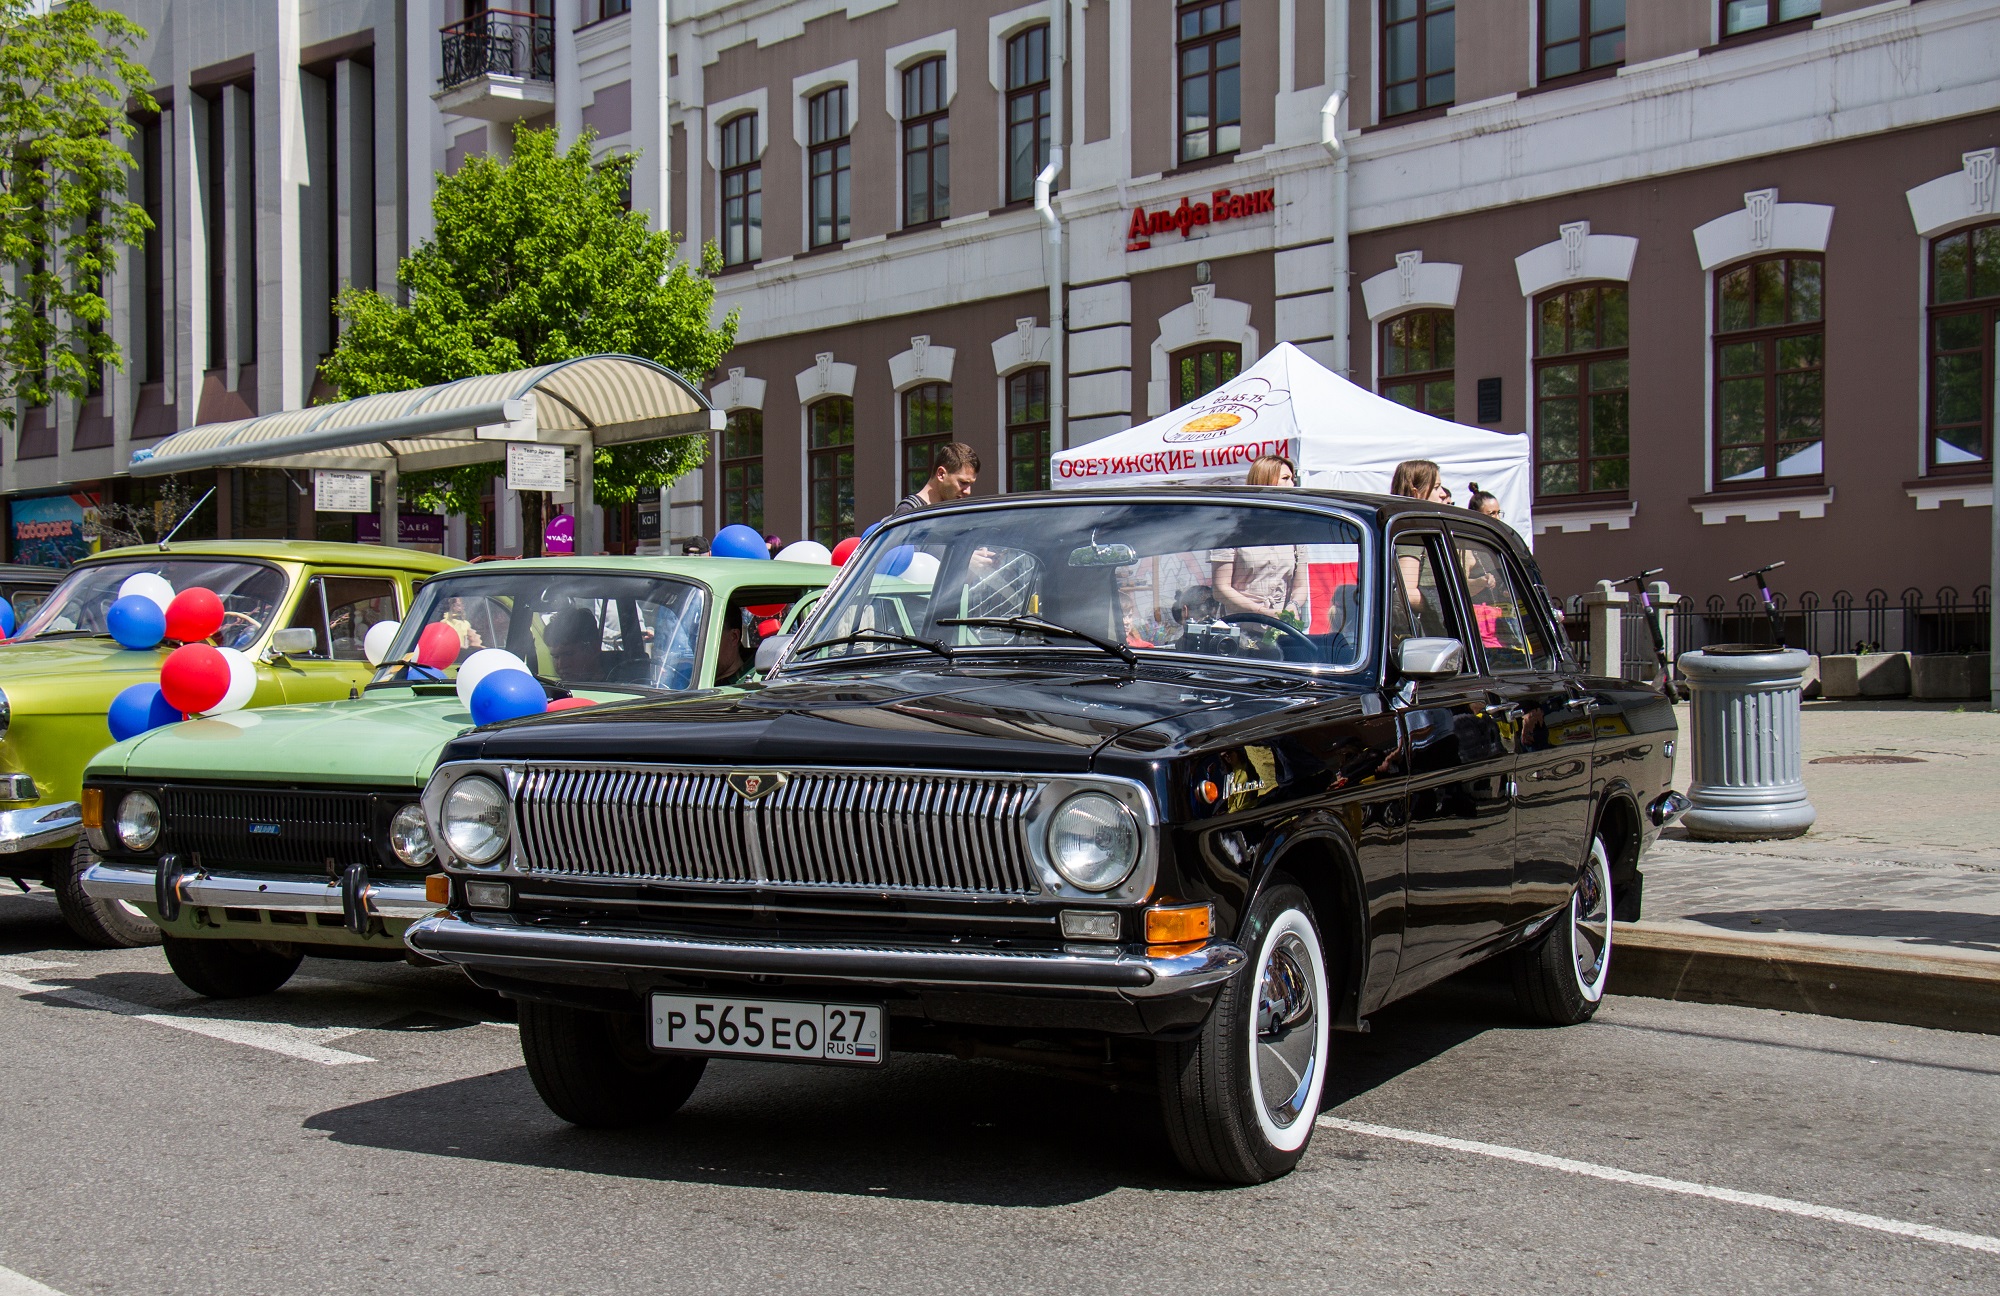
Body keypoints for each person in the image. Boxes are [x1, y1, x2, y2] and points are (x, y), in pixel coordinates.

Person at [892, 442, 980, 517]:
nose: (968, 491)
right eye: (963, 482)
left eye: (971, 484)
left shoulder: (951, 514)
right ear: (941, 474)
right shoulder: (908, 513)